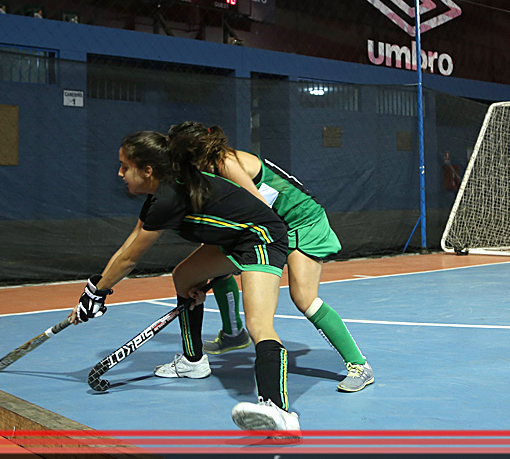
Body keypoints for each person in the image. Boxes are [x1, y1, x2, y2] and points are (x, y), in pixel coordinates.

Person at [68, 130, 299, 436]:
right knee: (184, 277)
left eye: (125, 166)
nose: (119, 173)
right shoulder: (161, 193)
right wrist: (95, 290)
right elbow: (129, 245)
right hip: (234, 238)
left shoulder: (168, 196)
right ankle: (194, 361)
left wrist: (95, 294)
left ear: (147, 170)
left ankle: (279, 411)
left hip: (261, 238)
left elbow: (129, 260)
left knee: (259, 325)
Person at [166, 122, 374, 392]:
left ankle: (359, 365)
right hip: (270, 225)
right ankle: (232, 334)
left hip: (301, 222)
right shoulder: (204, 168)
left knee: (303, 298)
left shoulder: (225, 162)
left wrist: (249, 253)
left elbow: (259, 207)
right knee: (204, 263)